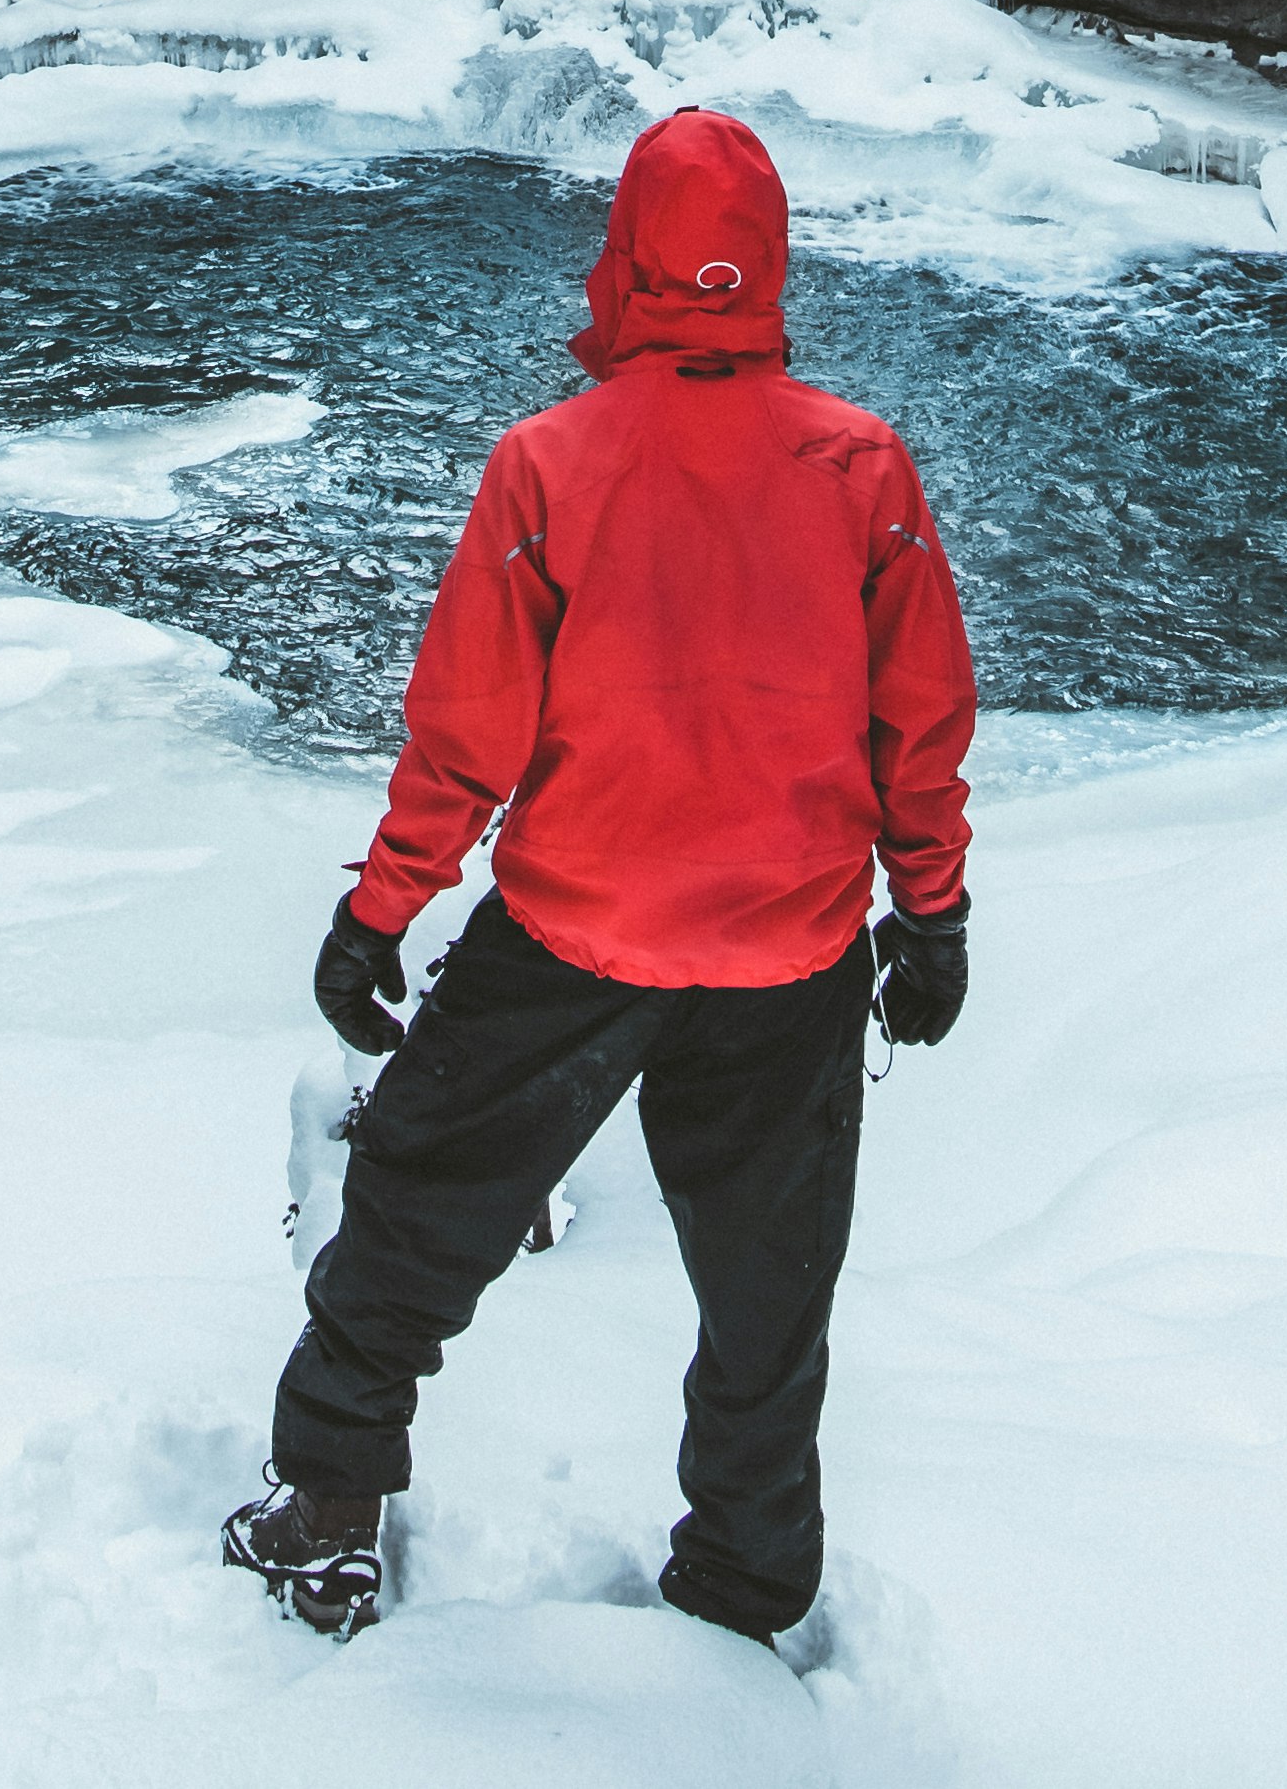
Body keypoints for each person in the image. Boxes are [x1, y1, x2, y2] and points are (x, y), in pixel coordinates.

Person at [224, 108, 978, 1651]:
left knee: (417, 1212)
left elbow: (466, 732)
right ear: (766, 264)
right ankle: (746, 1593)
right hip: (791, 951)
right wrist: (934, 909)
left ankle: (329, 1511)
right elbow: (922, 722)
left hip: (574, 930)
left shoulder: (550, 467)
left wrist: (382, 912)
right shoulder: (860, 467)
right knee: (768, 1290)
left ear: (626, 258)